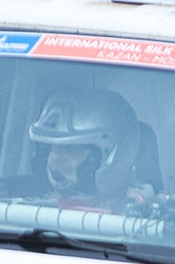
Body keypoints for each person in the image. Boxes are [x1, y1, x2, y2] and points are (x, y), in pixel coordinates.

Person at [24, 88, 152, 208]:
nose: (55, 155)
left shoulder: (141, 217)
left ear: (109, 155)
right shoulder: (20, 201)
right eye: (49, 146)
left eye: (70, 148)